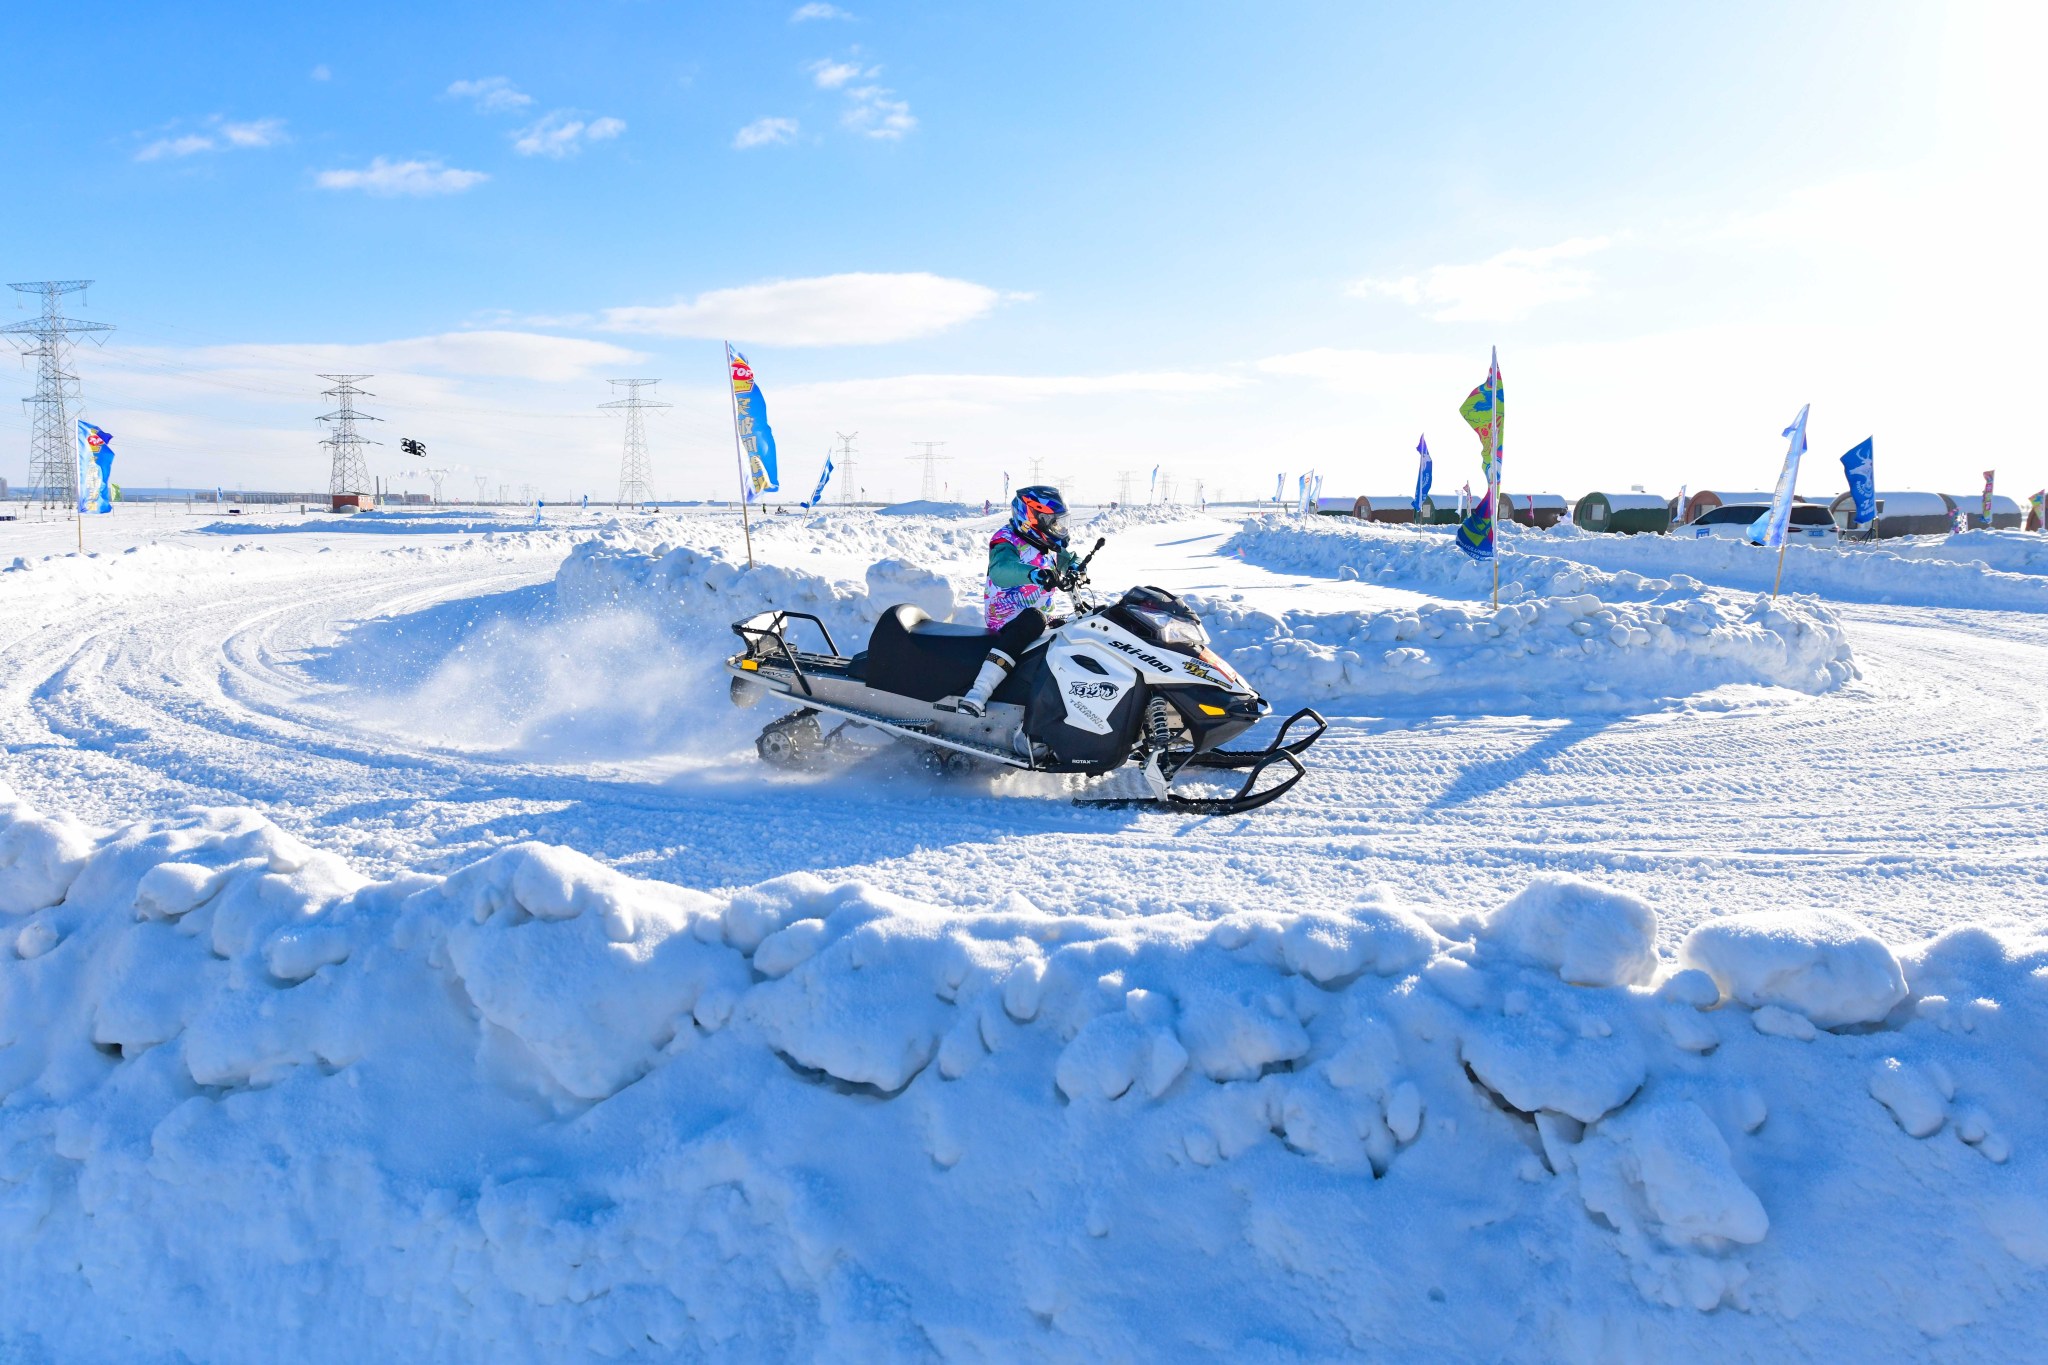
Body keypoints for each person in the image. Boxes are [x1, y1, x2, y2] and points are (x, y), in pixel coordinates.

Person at [941, 485, 1079, 717]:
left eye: (1060, 521)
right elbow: (1001, 570)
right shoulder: (1006, 540)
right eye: (1053, 521)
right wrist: (1033, 573)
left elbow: (1067, 558)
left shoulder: (1049, 544)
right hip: (1007, 615)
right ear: (1032, 518)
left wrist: (1076, 567)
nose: (1058, 527)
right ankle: (979, 693)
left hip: (1040, 613)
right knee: (1032, 620)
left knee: (1075, 625)